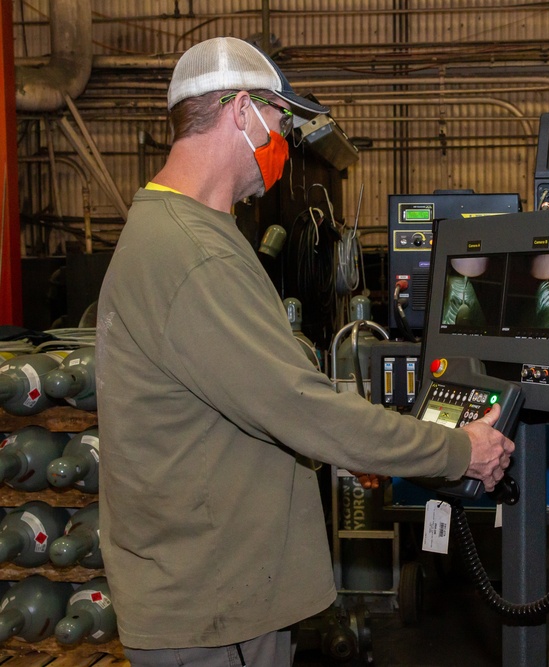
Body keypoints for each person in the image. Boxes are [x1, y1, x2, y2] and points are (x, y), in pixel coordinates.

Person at [95, 36, 515, 667]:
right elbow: (303, 410)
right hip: (213, 613)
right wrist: (459, 450)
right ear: (240, 112)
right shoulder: (192, 253)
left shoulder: (185, 231)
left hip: (212, 592)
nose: (283, 144)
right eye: (279, 122)